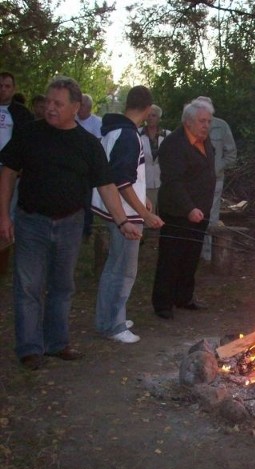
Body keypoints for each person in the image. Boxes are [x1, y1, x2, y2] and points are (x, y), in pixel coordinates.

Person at [0, 76, 141, 370]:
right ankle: (30, 348)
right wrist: (3, 214)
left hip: (70, 224)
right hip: (31, 222)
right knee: (29, 286)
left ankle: (57, 343)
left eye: (57, 104)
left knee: (63, 286)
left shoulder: (88, 144)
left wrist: (122, 221)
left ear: (75, 107)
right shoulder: (29, 134)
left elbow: (106, 185)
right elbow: (9, 173)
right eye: (48, 102)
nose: (50, 108)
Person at [92, 86, 164, 343]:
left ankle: (110, 316)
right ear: (147, 109)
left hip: (119, 209)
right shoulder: (128, 135)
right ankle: (113, 324)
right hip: (124, 214)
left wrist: (141, 195)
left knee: (116, 266)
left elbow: (126, 176)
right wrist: (144, 213)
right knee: (123, 270)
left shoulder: (116, 130)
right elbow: (121, 181)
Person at [152, 99, 216, 320]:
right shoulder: (173, 144)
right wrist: (189, 208)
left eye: (209, 121)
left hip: (201, 212)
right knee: (171, 257)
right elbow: (173, 182)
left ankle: (184, 297)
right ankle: (163, 303)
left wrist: (202, 209)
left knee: (190, 257)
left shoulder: (205, 141)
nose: (206, 125)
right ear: (188, 122)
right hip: (178, 212)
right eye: (202, 121)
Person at [0, 72, 34, 274]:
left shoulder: (21, 114)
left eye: (6, 86)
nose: (3, 89)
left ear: (13, 88)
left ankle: (3, 262)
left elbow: (28, 142)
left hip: (10, 170)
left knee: (7, 214)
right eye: (0, 85)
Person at [196, 97, 237, 262]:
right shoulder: (190, 125)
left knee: (211, 218)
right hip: (194, 181)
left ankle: (208, 255)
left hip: (215, 180)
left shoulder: (222, 126)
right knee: (195, 215)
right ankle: (196, 252)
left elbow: (231, 154)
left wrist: (217, 167)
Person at [76, 93, 102, 240]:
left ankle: (86, 229)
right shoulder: (73, 120)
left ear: (90, 107)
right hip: (73, 165)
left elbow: (97, 144)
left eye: (83, 105)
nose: (80, 108)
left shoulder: (96, 123)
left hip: (88, 167)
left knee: (87, 200)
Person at [139, 104, 170, 214]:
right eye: (149, 115)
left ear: (159, 118)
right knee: (146, 210)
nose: (151, 118)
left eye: (154, 115)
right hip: (143, 178)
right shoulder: (138, 133)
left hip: (161, 179)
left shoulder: (167, 135)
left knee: (162, 210)